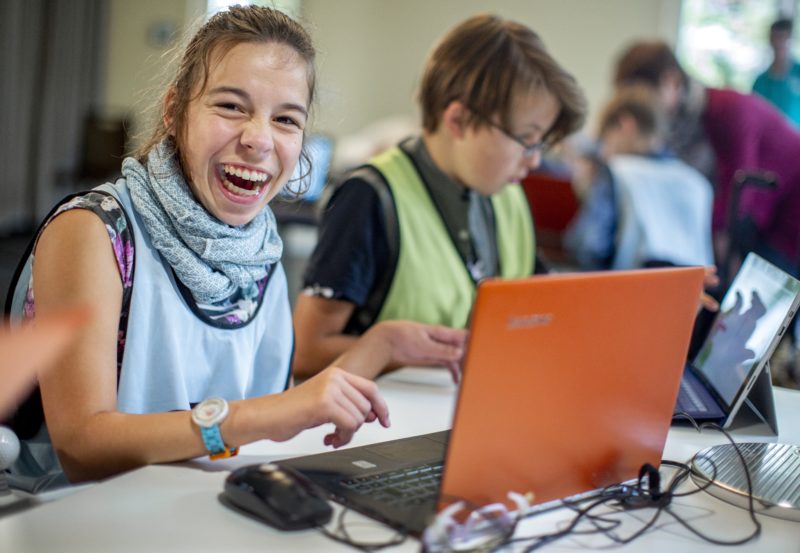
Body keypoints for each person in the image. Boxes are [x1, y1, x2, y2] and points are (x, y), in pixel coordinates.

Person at [0, 5, 461, 492]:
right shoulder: (94, 231)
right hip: (74, 513)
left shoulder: (258, 254)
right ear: (174, 110)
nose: (258, 139)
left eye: (286, 119)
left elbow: (273, 412)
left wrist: (381, 345)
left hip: (196, 505)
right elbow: (82, 447)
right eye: (231, 107)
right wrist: (260, 417)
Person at [292, 14, 587, 378]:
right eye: (526, 139)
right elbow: (306, 351)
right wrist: (395, 350)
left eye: (540, 143)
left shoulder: (506, 194)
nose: (535, 159)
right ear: (458, 120)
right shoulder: (370, 197)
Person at [613, 40, 800, 283]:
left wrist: (717, 236)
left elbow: (739, 198)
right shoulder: (689, 122)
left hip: (789, 216)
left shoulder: (731, 111)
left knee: (772, 290)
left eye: (646, 99)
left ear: (670, 80)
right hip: (765, 217)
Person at [565, 85, 714, 270]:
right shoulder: (698, 184)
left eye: (605, 139)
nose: (603, 151)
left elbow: (588, 246)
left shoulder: (616, 172)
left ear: (626, 125)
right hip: (691, 287)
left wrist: (585, 192)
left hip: (628, 284)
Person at [752, 18, 800, 127]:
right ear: (770, 40)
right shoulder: (760, 82)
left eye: (784, 38)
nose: (780, 43)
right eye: (776, 37)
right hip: (770, 137)